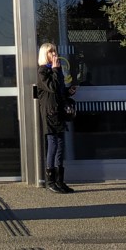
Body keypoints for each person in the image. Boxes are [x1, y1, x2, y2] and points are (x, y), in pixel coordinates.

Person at [37, 41, 76, 194]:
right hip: (49, 112)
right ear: (44, 55)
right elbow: (52, 87)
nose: (54, 55)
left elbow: (59, 90)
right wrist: (54, 69)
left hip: (58, 111)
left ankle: (60, 180)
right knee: (53, 144)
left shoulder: (56, 70)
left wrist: (68, 91)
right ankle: (50, 181)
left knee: (60, 145)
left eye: (55, 52)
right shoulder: (42, 71)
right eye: (50, 52)